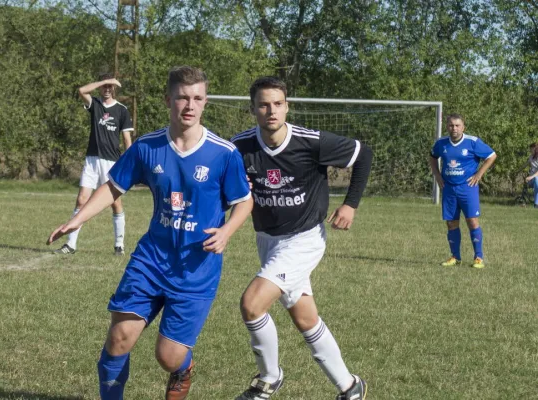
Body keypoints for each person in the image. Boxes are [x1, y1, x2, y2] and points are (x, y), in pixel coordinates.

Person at [47, 66, 253, 400]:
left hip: (195, 268)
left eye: (197, 98)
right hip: (151, 259)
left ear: (205, 102)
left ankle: (183, 368)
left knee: (168, 356)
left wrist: (228, 229)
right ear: (167, 100)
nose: (190, 105)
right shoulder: (146, 147)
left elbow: (244, 202)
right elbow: (113, 186)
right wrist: (77, 220)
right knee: (119, 338)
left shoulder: (223, 153)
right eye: (182, 97)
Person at [230, 76, 372, 400]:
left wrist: (350, 204)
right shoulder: (239, 147)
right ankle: (350, 387)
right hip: (267, 241)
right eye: (264, 104)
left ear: (287, 106)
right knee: (306, 318)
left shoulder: (310, 142)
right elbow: (226, 190)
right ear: (252, 108)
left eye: (278, 104)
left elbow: (364, 154)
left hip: (304, 240)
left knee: (252, 304)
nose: (271, 110)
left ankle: (269, 379)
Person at [54, 73, 134, 256]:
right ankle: (70, 245)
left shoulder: (122, 110)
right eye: (104, 86)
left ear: (114, 89)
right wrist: (105, 80)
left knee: (115, 203)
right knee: (82, 200)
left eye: (109, 86)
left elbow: (127, 139)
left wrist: (131, 162)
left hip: (111, 162)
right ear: (100, 87)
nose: (106, 89)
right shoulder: (95, 105)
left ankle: (119, 245)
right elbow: (81, 90)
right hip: (91, 160)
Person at [429, 113, 497, 269]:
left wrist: (479, 174)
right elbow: (432, 158)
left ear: (463, 127)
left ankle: (478, 258)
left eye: (457, 125)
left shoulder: (472, 142)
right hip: (448, 189)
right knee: (451, 223)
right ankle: (455, 257)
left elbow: (492, 156)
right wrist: (438, 176)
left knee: (472, 221)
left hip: (468, 188)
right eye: (451, 125)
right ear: (447, 127)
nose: (454, 128)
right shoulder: (441, 143)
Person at [525, 142, 538, 208]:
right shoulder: (531, 157)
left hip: (534, 178)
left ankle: (536, 204)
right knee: (536, 180)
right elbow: (525, 164)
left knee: (536, 179)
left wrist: (531, 177)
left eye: (531, 149)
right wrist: (517, 170)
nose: (530, 150)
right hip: (532, 180)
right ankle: (536, 204)